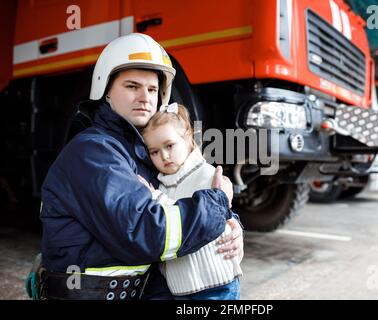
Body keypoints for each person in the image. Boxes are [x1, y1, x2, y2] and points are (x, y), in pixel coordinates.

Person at [34, 33, 243, 300]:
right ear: (106, 90)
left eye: (153, 89)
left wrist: (230, 226)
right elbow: (149, 232)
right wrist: (217, 205)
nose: (145, 97)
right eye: (132, 86)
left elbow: (180, 196)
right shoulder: (93, 152)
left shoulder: (144, 153)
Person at [139, 102, 243, 300]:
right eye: (154, 151)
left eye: (169, 145)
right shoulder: (161, 184)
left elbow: (198, 218)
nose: (164, 156)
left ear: (188, 139)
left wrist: (154, 197)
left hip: (216, 285)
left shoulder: (208, 175)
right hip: (180, 289)